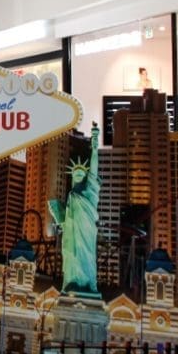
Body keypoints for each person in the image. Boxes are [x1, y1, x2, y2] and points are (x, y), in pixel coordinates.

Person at [49, 123, 101, 296]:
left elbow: (93, 173)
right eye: (75, 175)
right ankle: (70, 283)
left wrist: (95, 148)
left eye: (81, 175)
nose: (78, 177)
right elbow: (66, 224)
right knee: (71, 257)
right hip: (71, 239)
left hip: (86, 235)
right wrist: (59, 216)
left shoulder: (89, 192)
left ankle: (87, 286)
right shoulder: (71, 198)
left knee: (87, 259)